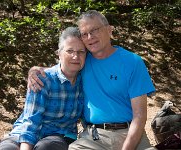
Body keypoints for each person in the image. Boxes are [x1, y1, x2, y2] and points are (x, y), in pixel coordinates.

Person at [28, 10, 156, 150]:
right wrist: (35, 70)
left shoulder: (132, 62)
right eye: (84, 34)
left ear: (109, 30)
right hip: (94, 137)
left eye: (94, 30)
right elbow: (61, 69)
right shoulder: (82, 60)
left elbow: (140, 115)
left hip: (131, 134)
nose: (90, 37)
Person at [0, 27, 87, 150]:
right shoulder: (42, 79)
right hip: (23, 134)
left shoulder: (86, 81)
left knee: (46, 147)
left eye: (81, 51)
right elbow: (31, 120)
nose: (75, 56)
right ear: (59, 54)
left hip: (59, 137)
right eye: (70, 51)